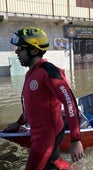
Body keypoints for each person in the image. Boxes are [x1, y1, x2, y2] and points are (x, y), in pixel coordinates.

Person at [4, 27, 83, 170]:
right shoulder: (31, 73)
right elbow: (33, 105)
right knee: (53, 162)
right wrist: (19, 123)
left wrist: (75, 139)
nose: (16, 52)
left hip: (47, 136)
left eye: (20, 48)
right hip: (37, 133)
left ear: (34, 51)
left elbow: (70, 102)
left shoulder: (49, 72)